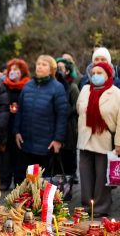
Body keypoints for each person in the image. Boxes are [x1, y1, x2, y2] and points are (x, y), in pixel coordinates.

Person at [77, 62, 120, 217]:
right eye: (93, 72)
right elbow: (79, 110)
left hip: (105, 140)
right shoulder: (85, 90)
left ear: (108, 74)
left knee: (102, 175)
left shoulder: (116, 93)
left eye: (100, 72)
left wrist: (118, 143)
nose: (95, 75)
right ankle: (87, 205)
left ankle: (101, 207)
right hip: (85, 139)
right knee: (85, 173)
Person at [14, 55, 68, 180]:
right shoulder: (28, 85)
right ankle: (30, 199)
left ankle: (43, 200)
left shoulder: (57, 88)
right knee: (28, 180)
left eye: (44, 64)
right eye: (38, 64)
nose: (40, 66)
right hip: (26, 142)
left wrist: (58, 139)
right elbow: (20, 110)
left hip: (46, 144)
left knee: (44, 181)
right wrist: (16, 131)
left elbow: (62, 115)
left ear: (52, 69)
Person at [0, 58, 31, 188]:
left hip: (22, 124)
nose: (13, 72)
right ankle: (4, 180)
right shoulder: (3, 85)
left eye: (16, 70)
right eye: (11, 69)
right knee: (5, 153)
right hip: (6, 123)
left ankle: (19, 181)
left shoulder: (28, 86)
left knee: (20, 153)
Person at [57, 57, 80, 188]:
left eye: (61, 68)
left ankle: (68, 185)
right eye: (57, 68)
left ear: (67, 71)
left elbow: (77, 107)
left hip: (69, 127)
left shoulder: (72, 87)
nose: (59, 71)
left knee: (69, 156)